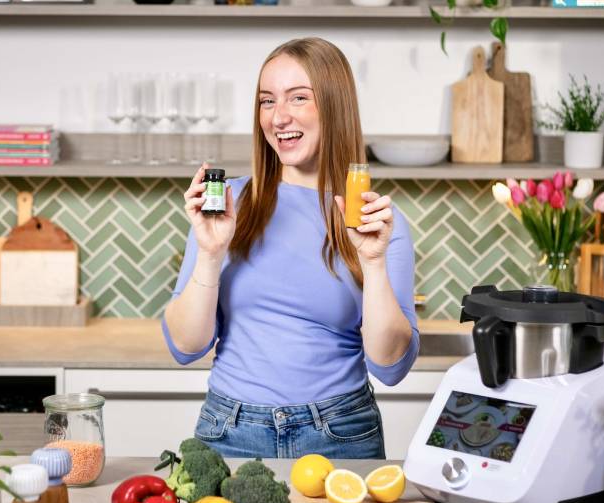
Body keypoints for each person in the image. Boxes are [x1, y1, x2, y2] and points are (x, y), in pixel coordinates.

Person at [161, 37, 419, 459]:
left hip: (340, 432)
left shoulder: (375, 224)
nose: (278, 117)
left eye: (298, 98)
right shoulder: (227, 205)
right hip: (230, 429)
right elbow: (185, 347)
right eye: (266, 101)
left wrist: (372, 265)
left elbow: (390, 366)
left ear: (335, 106)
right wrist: (209, 253)